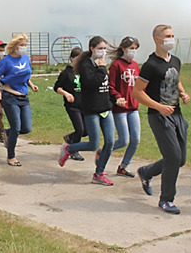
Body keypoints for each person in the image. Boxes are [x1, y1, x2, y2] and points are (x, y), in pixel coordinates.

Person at [133, 25, 190, 214]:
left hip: (176, 114)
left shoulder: (175, 60)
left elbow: (176, 79)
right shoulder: (151, 65)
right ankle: (166, 200)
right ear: (157, 39)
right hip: (159, 116)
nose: (171, 39)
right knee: (173, 157)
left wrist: (182, 92)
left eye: (173, 35)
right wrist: (158, 106)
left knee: (180, 159)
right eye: (167, 36)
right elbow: (137, 92)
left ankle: (147, 172)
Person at [58, 36, 115, 186]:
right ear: (92, 48)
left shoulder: (101, 64)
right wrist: (102, 68)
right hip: (91, 109)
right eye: (100, 48)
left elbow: (105, 86)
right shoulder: (85, 65)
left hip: (106, 108)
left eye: (104, 49)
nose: (103, 52)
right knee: (93, 144)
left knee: (109, 142)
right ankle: (69, 148)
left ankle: (99, 174)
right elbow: (92, 83)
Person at [0, 33, 38, 166]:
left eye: (25, 45)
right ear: (14, 46)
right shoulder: (6, 61)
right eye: (21, 45)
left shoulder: (25, 59)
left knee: (26, 128)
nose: (23, 47)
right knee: (16, 127)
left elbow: (25, 74)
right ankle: (11, 156)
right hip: (10, 96)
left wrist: (31, 84)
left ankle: (7, 133)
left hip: (24, 97)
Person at [108, 36, 141, 178]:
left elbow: (139, 85)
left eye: (135, 49)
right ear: (123, 49)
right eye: (130, 48)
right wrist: (117, 97)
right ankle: (104, 150)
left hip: (133, 107)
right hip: (120, 108)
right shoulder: (116, 65)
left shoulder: (135, 66)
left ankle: (123, 166)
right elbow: (110, 86)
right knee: (123, 140)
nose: (133, 51)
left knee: (136, 140)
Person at [53, 47, 86, 161]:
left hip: (84, 105)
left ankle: (69, 137)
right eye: (77, 59)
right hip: (72, 106)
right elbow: (57, 87)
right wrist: (66, 94)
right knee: (80, 129)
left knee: (86, 130)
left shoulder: (84, 72)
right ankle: (73, 150)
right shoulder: (66, 73)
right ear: (72, 59)